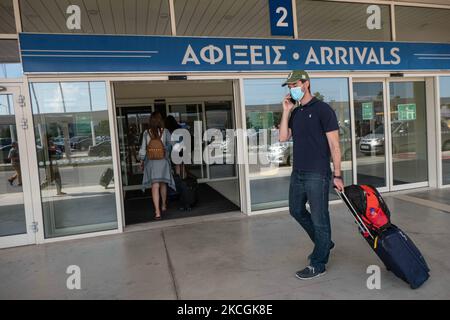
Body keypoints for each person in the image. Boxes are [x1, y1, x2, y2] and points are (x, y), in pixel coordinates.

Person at [279, 70, 344, 280]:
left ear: (306, 84)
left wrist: (338, 175)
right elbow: (282, 137)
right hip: (298, 171)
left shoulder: (323, 110)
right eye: (289, 86)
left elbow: (334, 146)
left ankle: (318, 263)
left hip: (318, 172)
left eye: (294, 84)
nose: (292, 89)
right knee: (296, 210)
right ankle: (324, 242)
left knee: (319, 218)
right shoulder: (296, 112)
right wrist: (286, 110)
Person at [139, 112, 176, 220]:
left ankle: (157, 211)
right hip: (163, 161)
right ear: (161, 120)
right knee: (163, 184)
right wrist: (166, 150)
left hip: (151, 162)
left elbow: (142, 149)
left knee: (155, 186)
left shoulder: (146, 133)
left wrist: (141, 160)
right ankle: (163, 205)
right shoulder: (165, 132)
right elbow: (172, 145)